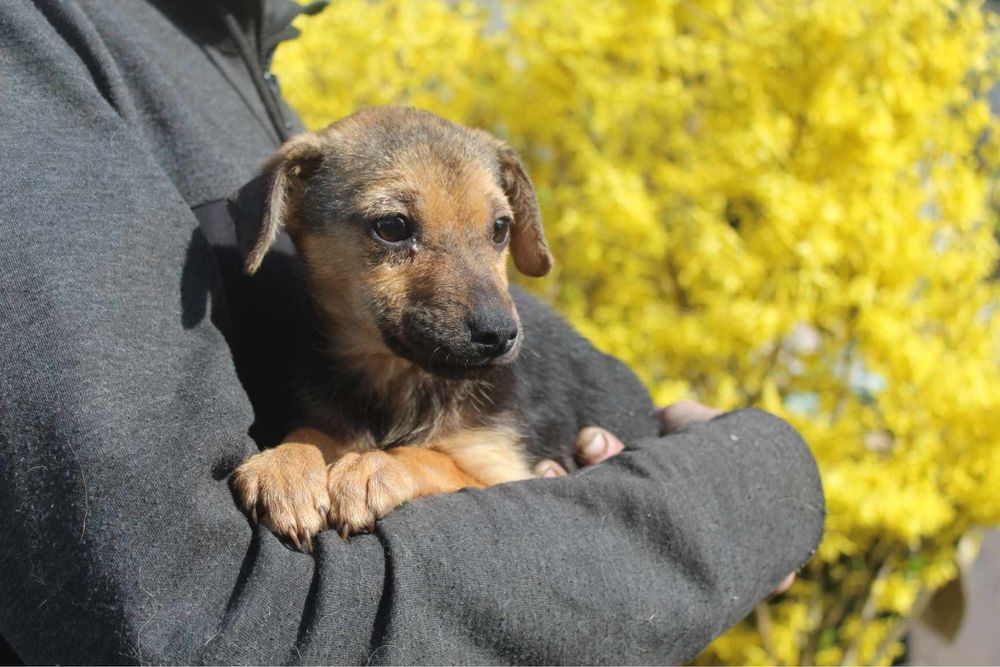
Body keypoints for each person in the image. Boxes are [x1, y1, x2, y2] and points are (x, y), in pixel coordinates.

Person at [0, 0, 824, 663]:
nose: (491, 310)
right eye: (397, 229)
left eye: (498, 233)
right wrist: (752, 493)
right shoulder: (44, 47)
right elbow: (203, 617)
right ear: (281, 220)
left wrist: (735, 476)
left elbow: (494, 470)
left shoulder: (252, 65)